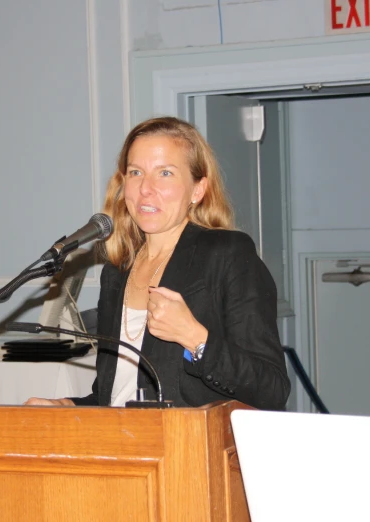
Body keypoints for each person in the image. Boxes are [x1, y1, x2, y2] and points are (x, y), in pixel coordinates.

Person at [26, 116, 290, 409]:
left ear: (197, 190)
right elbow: (117, 397)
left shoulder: (228, 255)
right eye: (136, 172)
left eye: (165, 173)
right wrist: (68, 405)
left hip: (189, 449)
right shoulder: (117, 271)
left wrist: (195, 337)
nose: (146, 189)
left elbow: (272, 390)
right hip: (129, 448)